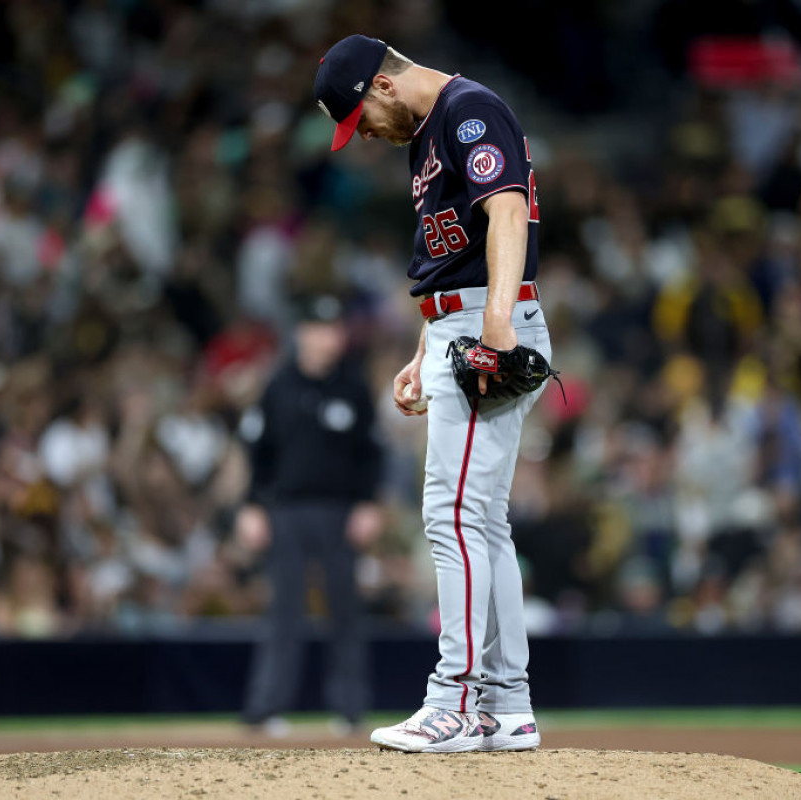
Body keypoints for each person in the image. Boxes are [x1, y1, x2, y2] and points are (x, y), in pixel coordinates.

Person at [314, 35, 548, 753]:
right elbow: (457, 254)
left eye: (359, 119)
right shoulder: (427, 135)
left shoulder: (468, 109)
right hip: (459, 321)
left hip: (487, 323)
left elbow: (506, 212)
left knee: (451, 516)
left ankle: (456, 699)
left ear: (381, 88)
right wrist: (426, 345)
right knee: (484, 522)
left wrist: (496, 325)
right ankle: (507, 705)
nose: (363, 136)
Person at [235, 294, 383, 734]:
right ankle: (266, 708)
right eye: (317, 330)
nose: (325, 339)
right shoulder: (278, 386)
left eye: (333, 329)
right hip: (287, 511)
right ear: (301, 334)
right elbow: (258, 454)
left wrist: (368, 503)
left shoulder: (353, 387)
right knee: (284, 610)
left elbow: (370, 454)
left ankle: (351, 709)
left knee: (345, 610)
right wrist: (251, 507)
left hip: (341, 512)